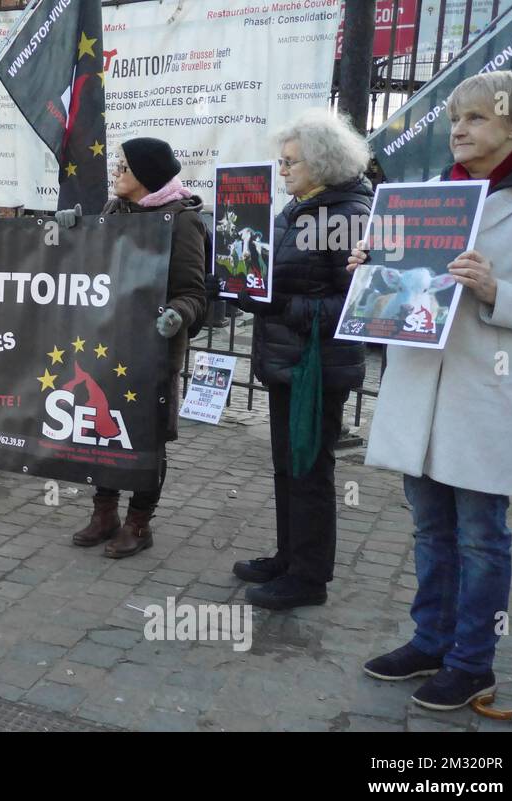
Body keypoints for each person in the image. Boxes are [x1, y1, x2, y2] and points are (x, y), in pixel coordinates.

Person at [356, 71, 512, 711]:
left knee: (480, 535)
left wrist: (498, 291)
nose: (459, 130)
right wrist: (373, 271)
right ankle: (429, 640)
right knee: (428, 529)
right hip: (419, 386)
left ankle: (473, 662)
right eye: (454, 119)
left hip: (483, 393)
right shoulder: (431, 196)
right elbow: (401, 291)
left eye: (474, 118)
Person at [229, 109, 372, 610]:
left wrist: (285, 306)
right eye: (281, 160)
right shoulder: (296, 210)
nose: (282, 170)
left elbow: (359, 304)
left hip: (318, 367)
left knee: (310, 470)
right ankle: (289, 557)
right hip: (287, 362)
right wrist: (243, 285)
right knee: (288, 467)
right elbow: (276, 279)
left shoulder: (349, 215)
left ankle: (309, 577)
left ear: (323, 163)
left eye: (291, 162)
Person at [58, 139, 207, 558]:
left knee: (146, 437)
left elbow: (194, 292)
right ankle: (104, 513)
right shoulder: (112, 211)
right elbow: (90, 269)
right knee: (104, 430)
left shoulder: (182, 220)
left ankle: (139, 523)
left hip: (154, 352)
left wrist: (177, 314)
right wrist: (74, 232)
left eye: (124, 166)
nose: (116, 172)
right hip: (110, 344)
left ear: (146, 175)